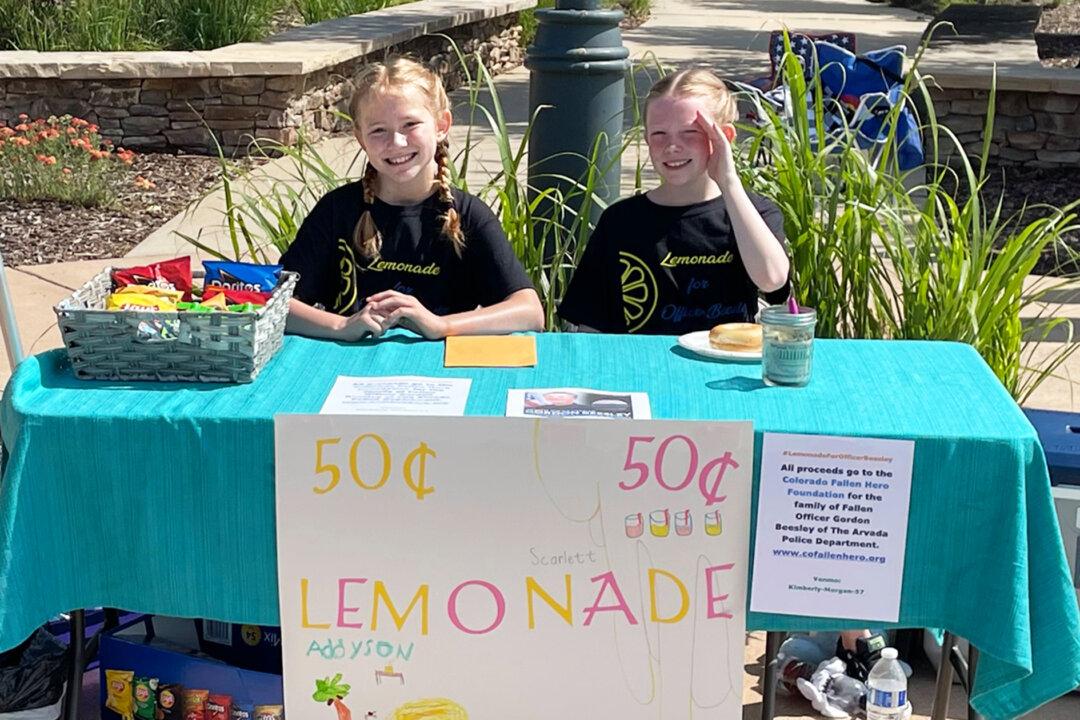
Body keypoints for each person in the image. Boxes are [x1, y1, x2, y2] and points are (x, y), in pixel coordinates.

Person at [281, 57, 544, 341]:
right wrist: (342, 326)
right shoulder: (338, 210)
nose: (397, 143)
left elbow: (529, 312)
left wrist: (440, 325)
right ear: (360, 138)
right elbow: (274, 303)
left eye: (410, 124)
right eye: (378, 130)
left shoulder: (467, 215)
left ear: (441, 125)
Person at [558, 67, 790, 334]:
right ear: (646, 138)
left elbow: (772, 280)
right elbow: (590, 324)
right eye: (659, 134)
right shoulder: (621, 221)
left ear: (723, 138)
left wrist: (729, 182)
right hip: (643, 369)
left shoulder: (752, 213)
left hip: (726, 368)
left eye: (690, 133)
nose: (672, 146)